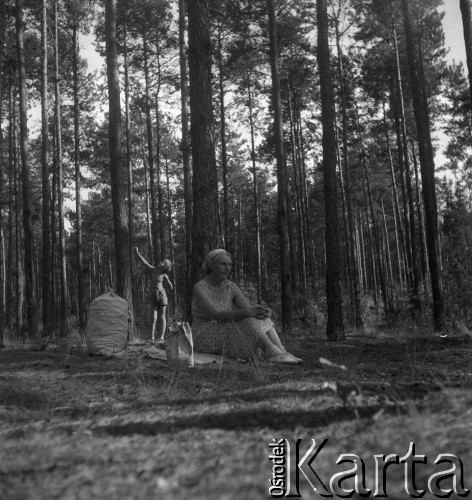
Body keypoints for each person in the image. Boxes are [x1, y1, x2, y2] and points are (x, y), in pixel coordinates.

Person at [191, 249, 302, 364]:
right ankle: (272, 353)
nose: (227, 268)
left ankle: (281, 352)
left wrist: (263, 312)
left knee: (258, 316)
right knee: (247, 317)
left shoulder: (231, 287)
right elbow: (217, 316)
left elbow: (249, 309)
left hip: (225, 329)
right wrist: (249, 312)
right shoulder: (200, 287)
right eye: (223, 264)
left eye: (229, 264)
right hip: (205, 333)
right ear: (211, 266)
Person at [135, 247, 173, 348]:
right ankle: (152, 337)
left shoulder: (162, 273)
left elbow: (169, 284)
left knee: (162, 316)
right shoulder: (154, 270)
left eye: (162, 262)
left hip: (160, 294)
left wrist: (169, 286)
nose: (160, 262)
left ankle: (161, 337)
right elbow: (144, 262)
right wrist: (138, 253)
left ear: (163, 267)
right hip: (154, 294)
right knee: (154, 316)